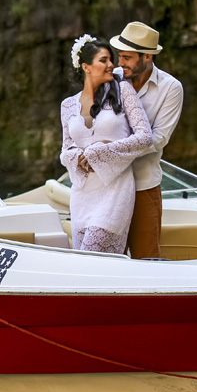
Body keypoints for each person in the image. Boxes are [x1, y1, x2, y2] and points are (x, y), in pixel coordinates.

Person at [59, 36, 153, 253]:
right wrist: (79, 156)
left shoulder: (123, 91)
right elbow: (65, 150)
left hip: (115, 192)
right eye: (104, 60)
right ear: (86, 67)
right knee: (85, 261)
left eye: (111, 59)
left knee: (91, 257)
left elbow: (145, 137)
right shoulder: (67, 105)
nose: (112, 65)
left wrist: (102, 148)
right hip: (83, 195)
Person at [111, 21, 184, 260]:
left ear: (147, 57)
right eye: (120, 56)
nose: (120, 63)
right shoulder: (111, 79)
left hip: (144, 185)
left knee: (147, 258)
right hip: (109, 185)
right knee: (108, 258)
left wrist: (113, 151)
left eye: (128, 57)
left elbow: (159, 138)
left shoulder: (171, 88)